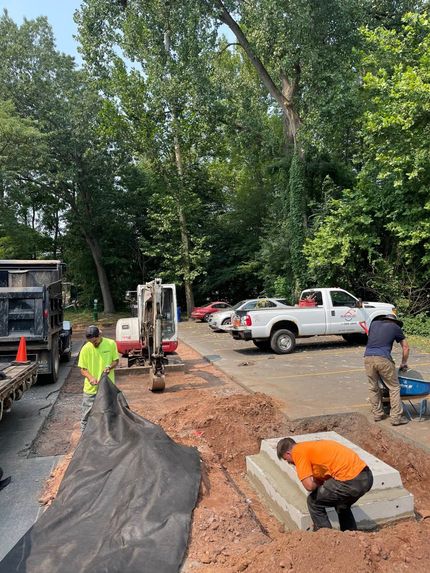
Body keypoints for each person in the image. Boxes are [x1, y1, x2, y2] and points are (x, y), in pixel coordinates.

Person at [277, 437, 373, 532]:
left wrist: (315, 486)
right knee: (341, 504)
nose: (289, 463)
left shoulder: (297, 452)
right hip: (366, 477)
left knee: (313, 502)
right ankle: (350, 536)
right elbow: (323, 477)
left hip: (350, 481)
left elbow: (309, 486)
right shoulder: (311, 448)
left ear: (288, 453)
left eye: (286, 459)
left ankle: (326, 539)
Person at [364, 314, 410, 426]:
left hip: (367, 357)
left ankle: (378, 414)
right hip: (383, 358)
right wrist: (403, 363)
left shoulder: (374, 324)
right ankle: (396, 417)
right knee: (394, 387)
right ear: (394, 321)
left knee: (373, 387)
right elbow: (406, 347)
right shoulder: (395, 327)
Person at [78, 325, 119, 432]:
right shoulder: (85, 349)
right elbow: (83, 369)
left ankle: (109, 437)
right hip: (91, 390)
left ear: (100, 335)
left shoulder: (110, 344)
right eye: (91, 342)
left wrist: (110, 366)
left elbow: (116, 361)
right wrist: (90, 378)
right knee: (86, 417)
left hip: (107, 388)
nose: (93, 344)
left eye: (95, 341)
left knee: (109, 414)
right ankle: (84, 439)